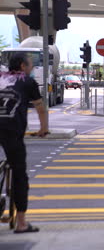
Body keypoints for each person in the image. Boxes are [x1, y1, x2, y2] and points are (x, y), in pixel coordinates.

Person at [0, 53, 49, 233]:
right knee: (20, 176)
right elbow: (40, 108)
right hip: (12, 131)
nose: (32, 68)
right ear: (22, 66)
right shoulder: (27, 82)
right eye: (30, 65)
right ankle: (21, 223)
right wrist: (43, 129)